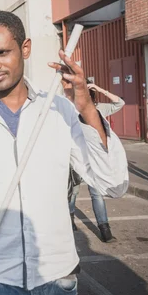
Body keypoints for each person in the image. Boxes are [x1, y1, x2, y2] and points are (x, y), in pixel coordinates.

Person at [0, 11, 129, 295]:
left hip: (57, 282)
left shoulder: (60, 111)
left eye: (2, 52)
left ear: (25, 48)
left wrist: (86, 107)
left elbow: (113, 184)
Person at [64, 82, 125, 243]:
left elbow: (120, 103)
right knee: (73, 191)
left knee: (96, 193)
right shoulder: (70, 110)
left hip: (96, 159)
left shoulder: (99, 109)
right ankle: (70, 221)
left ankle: (105, 230)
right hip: (77, 158)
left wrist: (100, 88)